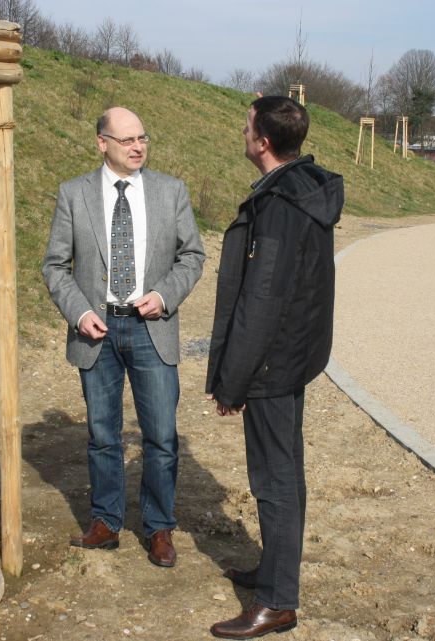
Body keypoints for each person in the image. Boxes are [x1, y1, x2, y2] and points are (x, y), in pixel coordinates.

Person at [42, 107, 204, 567]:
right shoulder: (73, 194)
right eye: (127, 139)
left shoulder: (171, 191)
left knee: (161, 436)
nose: (138, 147)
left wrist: (164, 295)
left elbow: (192, 255)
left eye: (143, 138)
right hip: (98, 331)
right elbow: (55, 266)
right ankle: (106, 522)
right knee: (102, 435)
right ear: (101, 143)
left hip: (152, 328)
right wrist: (79, 313)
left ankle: (158, 527)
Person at [205, 96, 343, 639]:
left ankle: (279, 601)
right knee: (283, 474)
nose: (243, 134)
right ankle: (275, 569)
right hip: (287, 357)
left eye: (246, 127)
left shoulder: (283, 206)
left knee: (275, 480)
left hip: (270, 364)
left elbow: (262, 301)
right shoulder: (300, 190)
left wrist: (232, 381)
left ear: (262, 141)